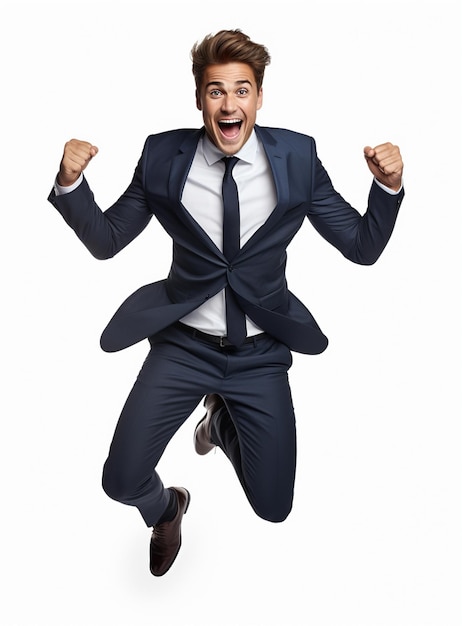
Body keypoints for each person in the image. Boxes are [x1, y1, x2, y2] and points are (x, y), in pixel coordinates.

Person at [48, 29, 404, 577]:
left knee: (274, 507)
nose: (230, 104)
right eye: (216, 91)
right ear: (199, 99)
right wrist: (71, 184)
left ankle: (218, 420)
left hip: (259, 353)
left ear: (260, 97)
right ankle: (168, 509)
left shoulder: (298, 157)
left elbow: (361, 247)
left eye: (242, 90)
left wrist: (387, 189)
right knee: (119, 481)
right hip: (183, 348)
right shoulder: (162, 154)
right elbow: (107, 240)